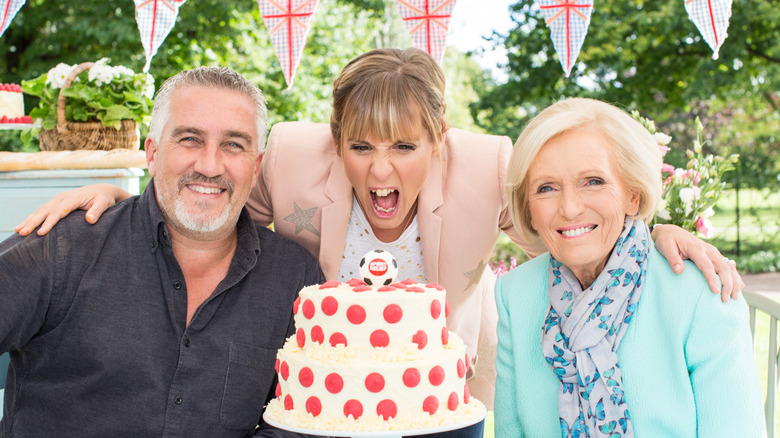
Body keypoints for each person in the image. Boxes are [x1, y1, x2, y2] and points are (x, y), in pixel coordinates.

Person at [15, 48, 742, 419]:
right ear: (337, 144)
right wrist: (122, 196)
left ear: (441, 141)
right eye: (363, 146)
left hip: (445, 391)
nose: (381, 169)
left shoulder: (489, 164)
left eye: (406, 146)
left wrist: (657, 232)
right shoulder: (294, 159)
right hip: (328, 399)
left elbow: (574, 212)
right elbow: (206, 195)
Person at [0, 67, 325, 437]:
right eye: (190, 139)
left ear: (255, 168)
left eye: (233, 144)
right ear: (152, 154)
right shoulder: (65, 247)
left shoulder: (295, 279)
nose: (209, 165)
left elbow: (298, 421)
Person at [494, 98, 764, 437]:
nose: (570, 207)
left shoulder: (703, 293)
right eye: (546, 188)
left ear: (632, 195)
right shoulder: (514, 295)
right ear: (528, 209)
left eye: (593, 181)